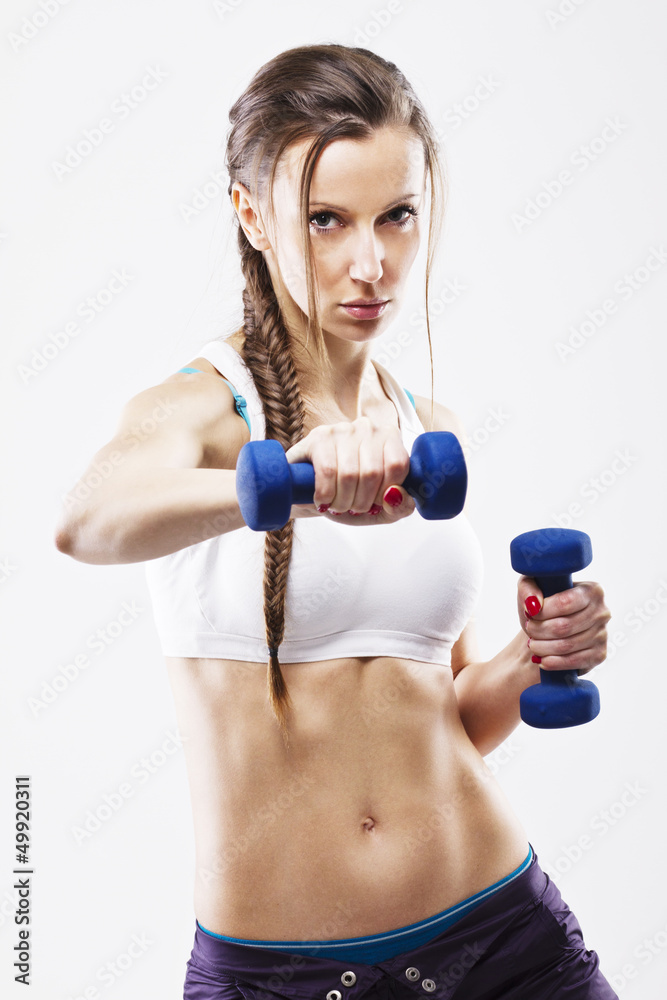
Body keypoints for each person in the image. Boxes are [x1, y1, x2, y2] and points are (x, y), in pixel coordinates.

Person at [55, 43, 617, 1000]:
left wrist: (535, 652)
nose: (372, 263)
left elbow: (452, 717)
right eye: (325, 220)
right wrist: (289, 484)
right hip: (279, 978)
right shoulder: (201, 408)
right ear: (250, 216)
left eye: (396, 216)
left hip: (507, 940)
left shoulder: (423, 429)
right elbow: (87, 519)